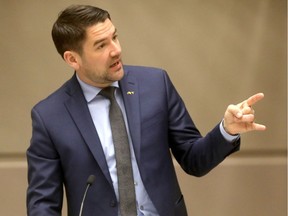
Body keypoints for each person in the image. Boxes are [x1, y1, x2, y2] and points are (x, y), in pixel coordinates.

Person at [26, 4, 266, 216]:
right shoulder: (49, 117)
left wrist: (227, 130)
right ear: (72, 59)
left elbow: (195, 160)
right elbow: (43, 203)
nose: (116, 50)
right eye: (101, 45)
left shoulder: (155, 85)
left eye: (115, 37)